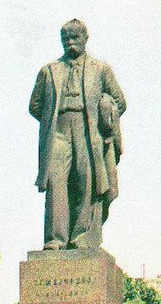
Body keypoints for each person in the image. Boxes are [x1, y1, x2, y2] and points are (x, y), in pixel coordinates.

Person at [29, 19, 127, 251]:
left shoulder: (101, 69)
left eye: (75, 38)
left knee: (87, 181)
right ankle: (55, 239)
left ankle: (83, 237)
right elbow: (35, 105)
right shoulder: (49, 70)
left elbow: (120, 102)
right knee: (56, 181)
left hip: (88, 130)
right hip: (58, 131)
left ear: (85, 39)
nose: (71, 42)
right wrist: (52, 119)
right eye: (66, 39)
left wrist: (106, 110)